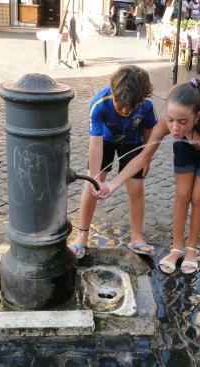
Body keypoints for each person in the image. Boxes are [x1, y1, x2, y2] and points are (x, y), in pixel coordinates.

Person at [97, 78, 200, 275]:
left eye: (182, 122)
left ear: (198, 116)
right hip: (186, 145)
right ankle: (176, 247)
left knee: (198, 197)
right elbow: (143, 156)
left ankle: (191, 248)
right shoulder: (168, 125)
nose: (175, 128)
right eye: (170, 120)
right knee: (182, 195)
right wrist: (113, 184)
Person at [67, 65, 157, 259]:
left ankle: (137, 237)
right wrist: (95, 178)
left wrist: (147, 158)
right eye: (120, 104)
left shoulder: (147, 104)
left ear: (139, 100)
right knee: (90, 185)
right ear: (113, 91)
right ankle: (82, 236)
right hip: (105, 141)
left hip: (133, 142)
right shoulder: (99, 103)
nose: (124, 110)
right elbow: (95, 145)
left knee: (136, 187)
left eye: (130, 106)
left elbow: (150, 131)